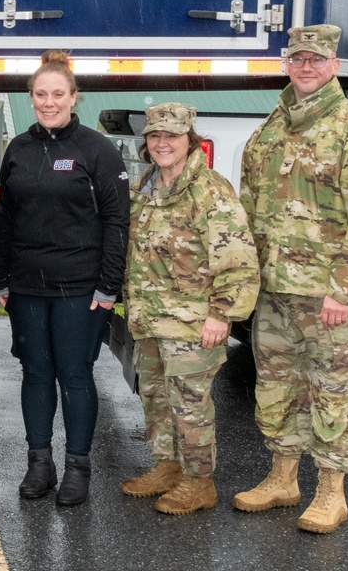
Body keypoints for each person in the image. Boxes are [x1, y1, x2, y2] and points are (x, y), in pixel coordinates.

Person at [234, 25, 348, 533]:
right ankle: (283, 478)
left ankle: (332, 493)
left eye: (316, 59)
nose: (306, 67)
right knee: (277, 388)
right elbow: (247, 208)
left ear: (334, 65)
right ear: (287, 63)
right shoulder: (270, 130)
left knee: (332, 392)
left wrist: (344, 290)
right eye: (298, 58)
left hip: (328, 295)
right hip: (275, 291)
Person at [0, 50, 129, 506]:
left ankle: (77, 468)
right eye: (40, 94)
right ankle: (40, 464)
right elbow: (5, 218)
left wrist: (109, 285)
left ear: (74, 97)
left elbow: (116, 222)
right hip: (27, 286)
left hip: (80, 289)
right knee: (35, 373)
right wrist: (0, 278)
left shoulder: (95, 149)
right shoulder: (19, 149)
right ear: (30, 98)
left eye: (58, 94)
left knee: (74, 375)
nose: (49, 102)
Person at [120, 103, 259, 514]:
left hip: (192, 322)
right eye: (155, 136)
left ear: (189, 140)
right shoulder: (147, 185)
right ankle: (169, 467)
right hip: (150, 316)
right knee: (156, 398)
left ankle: (199, 482)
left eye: (172, 136)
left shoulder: (209, 190)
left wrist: (222, 315)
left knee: (190, 405)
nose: (163, 143)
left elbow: (237, 258)